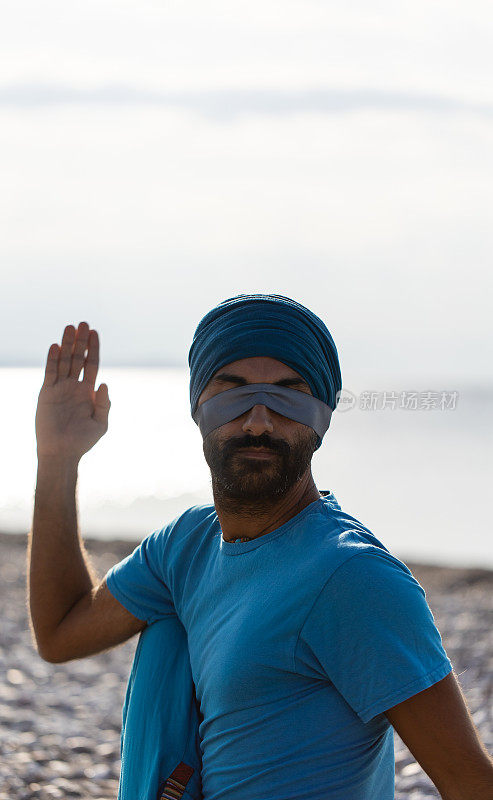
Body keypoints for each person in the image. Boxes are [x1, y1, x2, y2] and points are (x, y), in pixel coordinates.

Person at [28, 294, 493, 800]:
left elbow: (469, 781)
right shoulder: (185, 548)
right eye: (233, 393)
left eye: (289, 396)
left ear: (322, 417)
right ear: (199, 409)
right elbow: (60, 632)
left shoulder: (353, 577)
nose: (258, 422)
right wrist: (57, 458)